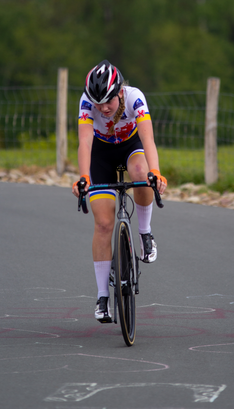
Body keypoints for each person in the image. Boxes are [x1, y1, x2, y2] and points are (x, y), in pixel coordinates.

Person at [72, 60, 167, 323]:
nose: (102, 108)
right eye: (97, 102)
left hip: (130, 147)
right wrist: (82, 177)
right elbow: (84, 142)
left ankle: (145, 234)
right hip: (100, 155)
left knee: (141, 174)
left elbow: (148, 138)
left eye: (108, 102)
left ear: (120, 92)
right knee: (103, 223)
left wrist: (155, 171)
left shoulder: (135, 98)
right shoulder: (86, 103)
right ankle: (103, 297)